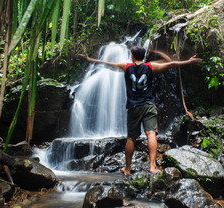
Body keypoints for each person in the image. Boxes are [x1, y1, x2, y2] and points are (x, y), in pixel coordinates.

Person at [77, 46, 202, 175]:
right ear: (144, 57)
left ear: (132, 56)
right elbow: (171, 64)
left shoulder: (126, 66)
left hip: (133, 107)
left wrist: (88, 59)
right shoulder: (150, 66)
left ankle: (127, 168)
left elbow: (106, 64)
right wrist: (188, 61)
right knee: (151, 134)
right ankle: (153, 166)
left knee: (131, 138)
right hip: (148, 105)